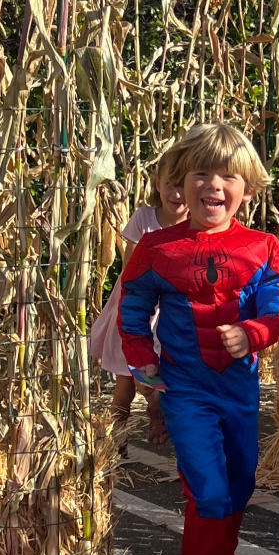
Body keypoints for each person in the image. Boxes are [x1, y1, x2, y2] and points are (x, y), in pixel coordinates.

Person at [118, 123, 279, 555]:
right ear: (179, 182)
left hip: (240, 392)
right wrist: (145, 366)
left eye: (227, 175)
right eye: (200, 173)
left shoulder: (263, 248)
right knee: (209, 493)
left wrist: (253, 332)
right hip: (187, 392)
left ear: (246, 188)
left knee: (238, 488)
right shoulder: (156, 248)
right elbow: (131, 309)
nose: (213, 185)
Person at [89, 146, 188, 447]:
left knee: (151, 377)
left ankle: (156, 416)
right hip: (134, 308)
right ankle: (114, 442)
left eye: (184, 185)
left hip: (167, 311)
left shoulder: (192, 228)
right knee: (124, 385)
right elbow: (131, 270)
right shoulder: (144, 218)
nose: (177, 193)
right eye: (170, 184)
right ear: (158, 184)